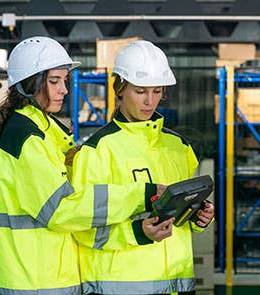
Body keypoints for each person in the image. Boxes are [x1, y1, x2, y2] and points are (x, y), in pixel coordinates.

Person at [0, 36, 171, 294]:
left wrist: (137, 231)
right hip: (33, 282)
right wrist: (142, 194)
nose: (64, 90)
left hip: (42, 276)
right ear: (29, 84)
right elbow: (61, 210)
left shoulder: (41, 133)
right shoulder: (27, 136)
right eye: (54, 81)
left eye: (64, 81)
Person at [71, 40, 215, 295]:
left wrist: (197, 216)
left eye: (157, 91)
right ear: (120, 89)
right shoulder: (97, 151)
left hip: (177, 285)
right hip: (121, 288)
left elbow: (179, 214)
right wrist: (137, 232)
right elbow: (82, 229)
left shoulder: (179, 147)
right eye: (140, 91)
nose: (150, 101)